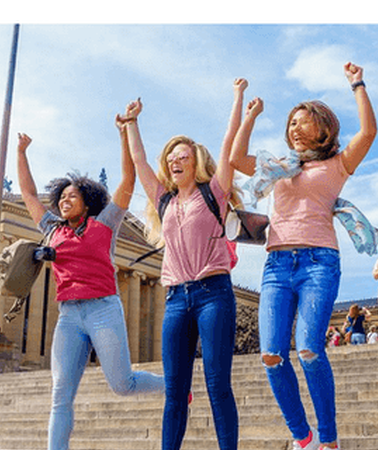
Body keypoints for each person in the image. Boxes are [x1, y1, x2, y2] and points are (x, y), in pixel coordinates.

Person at [229, 62, 377, 450]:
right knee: (271, 356)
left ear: (323, 127)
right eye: (291, 123)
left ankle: (329, 439)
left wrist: (357, 84)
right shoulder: (278, 168)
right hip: (277, 265)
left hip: (319, 263)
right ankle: (303, 437)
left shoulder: (338, 164)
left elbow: (369, 132)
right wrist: (250, 114)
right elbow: (234, 158)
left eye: (302, 121)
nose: (294, 128)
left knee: (309, 348)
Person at [16, 130, 164, 450]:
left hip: (103, 309)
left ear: (87, 202)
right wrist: (22, 153)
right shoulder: (52, 228)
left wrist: (124, 134)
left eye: (72, 196)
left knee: (122, 385)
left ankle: (174, 388)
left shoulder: (105, 224)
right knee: (60, 393)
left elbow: (127, 180)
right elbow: (28, 194)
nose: (65, 201)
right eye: (62, 197)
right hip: (69, 316)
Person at [124, 79, 248, 450]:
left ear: (196, 162)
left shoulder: (215, 193)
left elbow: (228, 145)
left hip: (214, 295)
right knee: (175, 392)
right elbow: (140, 162)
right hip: (176, 299)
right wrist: (132, 123)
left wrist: (238, 97)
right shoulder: (163, 200)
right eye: (172, 158)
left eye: (183, 157)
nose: (175, 161)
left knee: (217, 384)